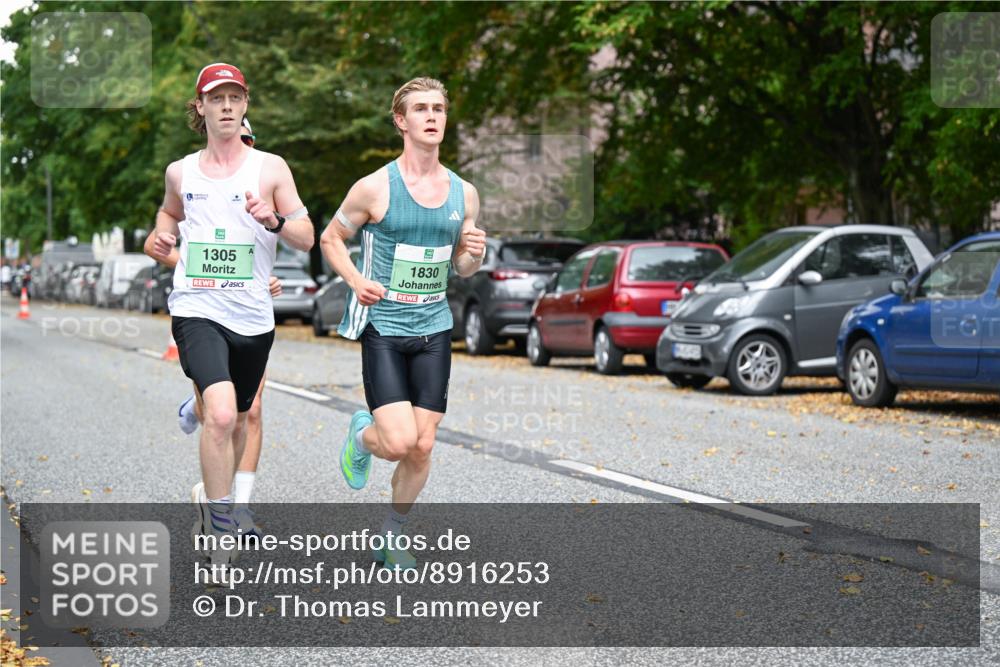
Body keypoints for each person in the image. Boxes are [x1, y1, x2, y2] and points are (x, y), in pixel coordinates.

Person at [146, 63, 313, 572]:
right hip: (197, 308)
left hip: (253, 316)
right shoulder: (181, 171)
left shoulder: (270, 168)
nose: (225, 105)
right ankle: (221, 533)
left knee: (242, 416)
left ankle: (216, 499)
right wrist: (162, 238)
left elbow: (307, 235)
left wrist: (275, 220)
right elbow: (168, 214)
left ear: (245, 105)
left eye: (233, 97)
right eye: (215, 97)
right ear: (199, 107)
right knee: (220, 414)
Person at [320, 77, 486, 569]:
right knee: (396, 442)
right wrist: (355, 279)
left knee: (424, 444)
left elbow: (462, 267)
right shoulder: (374, 187)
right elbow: (331, 238)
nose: (432, 116)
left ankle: (393, 534)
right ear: (401, 120)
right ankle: (360, 436)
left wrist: (474, 255)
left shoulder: (464, 193)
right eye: (421, 109)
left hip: (434, 325)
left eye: (439, 108)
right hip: (385, 326)